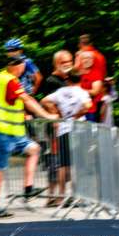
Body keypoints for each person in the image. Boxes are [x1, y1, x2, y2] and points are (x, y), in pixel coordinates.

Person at [0, 55, 58, 219]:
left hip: (13, 131)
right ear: (19, 66)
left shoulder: (0, 78)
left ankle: (28, 188)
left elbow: (14, 100)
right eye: (23, 67)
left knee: (34, 149)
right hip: (4, 131)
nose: (24, 70)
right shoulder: (10, 80)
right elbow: (26, 100)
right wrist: (47, 115)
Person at [41, 69, 92, 205]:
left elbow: (44, 101)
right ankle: (78, 195)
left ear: (67, 79)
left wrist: (56, 112)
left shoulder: (60, 92)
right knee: (79, 163)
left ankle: (61, 196)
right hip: (79, 130)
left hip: (64, 129)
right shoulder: (82, 92)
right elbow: (87, 106)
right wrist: (77, 115)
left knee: (63, 165)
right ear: (80, 79)